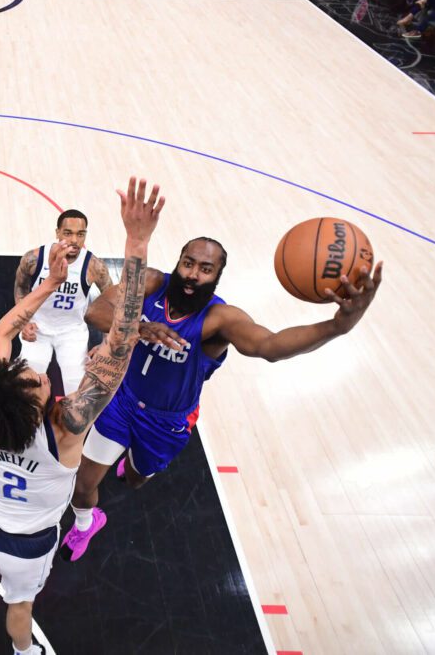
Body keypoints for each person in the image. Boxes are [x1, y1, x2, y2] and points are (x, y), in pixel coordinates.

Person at [0, 178, 165, 655]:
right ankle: (25, 652)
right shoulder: (69, 429)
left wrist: (49, 283)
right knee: (21, 611)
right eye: (37, 381)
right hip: (28, 544)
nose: (39, 375)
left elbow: (3, 331)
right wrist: (136, 243)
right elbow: (122, 335)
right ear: (41, 406)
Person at [58, 235, 384, 562]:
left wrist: (336, 327)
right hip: (122, 402)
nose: (192, 275)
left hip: (165, 423)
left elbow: (270, 346)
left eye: (205, 269)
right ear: (178, 261)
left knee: (134, 479)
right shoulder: (153, 283)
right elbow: (97, 311)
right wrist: (139, 330)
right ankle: (87, 522)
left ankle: (133, 462)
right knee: (83, 484)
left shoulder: (220, 320)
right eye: (188, 263)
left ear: (216, 277)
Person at [14, 210, 114, 394]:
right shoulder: (34, 259)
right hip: (38, 329)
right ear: (57, 233)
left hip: (72, 332)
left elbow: (111, 302)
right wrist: (23, 322)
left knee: (78, 394)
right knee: (26, 391)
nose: (74, 240)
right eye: (68, 233)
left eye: (80, 234)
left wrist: (106, 342)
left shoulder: (94, 266)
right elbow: (21, 288)